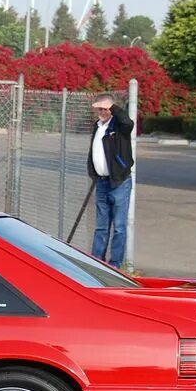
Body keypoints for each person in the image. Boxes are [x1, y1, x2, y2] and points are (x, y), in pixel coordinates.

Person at [87, 93, 135, 268]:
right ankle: (97, 261)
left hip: (119, 182)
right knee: (101, 226)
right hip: (101, 182)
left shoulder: (119, 127)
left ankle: (115, 264)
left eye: (104, 109)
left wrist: (112, 107)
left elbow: (128, 122)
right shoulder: (98, 126)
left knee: (119, 226)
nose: (101, 112)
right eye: (99, 109)